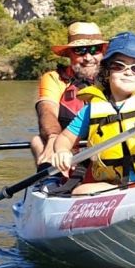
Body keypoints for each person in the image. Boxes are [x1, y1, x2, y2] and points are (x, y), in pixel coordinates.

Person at [50, 32, 135, 195]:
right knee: (81, 192)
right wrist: (62, 151)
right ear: (107, 71)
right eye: (119, 65)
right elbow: (65, 138)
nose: (128, 72)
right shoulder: (91, 109)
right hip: (115, 185)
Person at [31, 22, 107, 167]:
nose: (88, 57)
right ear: (69, 54)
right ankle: (49, 178)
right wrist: (54, 138)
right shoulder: (54, 78)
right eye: (80, 50)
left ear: (103, 51)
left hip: (106, 143)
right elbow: (47, 110)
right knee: (38, 141)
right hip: (67, 147)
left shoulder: (117, 77)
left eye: (94, 49)